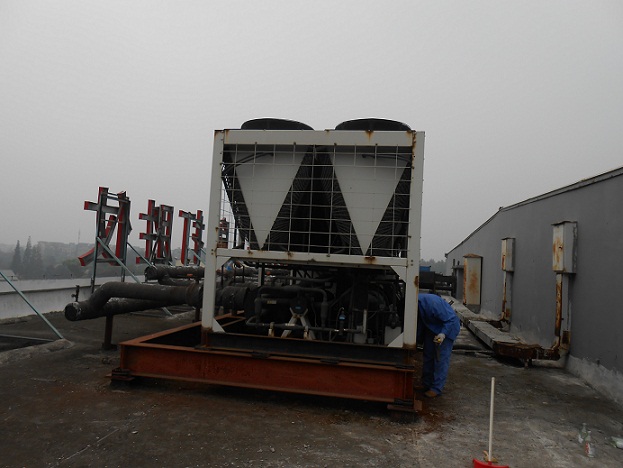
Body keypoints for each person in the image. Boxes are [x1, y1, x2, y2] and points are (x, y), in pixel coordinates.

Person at [416, 293, 461, 398]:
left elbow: (450, 319)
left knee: (440, 359)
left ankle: (436, 388)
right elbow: (419, 322)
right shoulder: (417, 305)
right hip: (432, 327)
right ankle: (426, 384)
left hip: (447, 329)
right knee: (428, 355)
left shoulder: (432, 303)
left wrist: (443, 334)